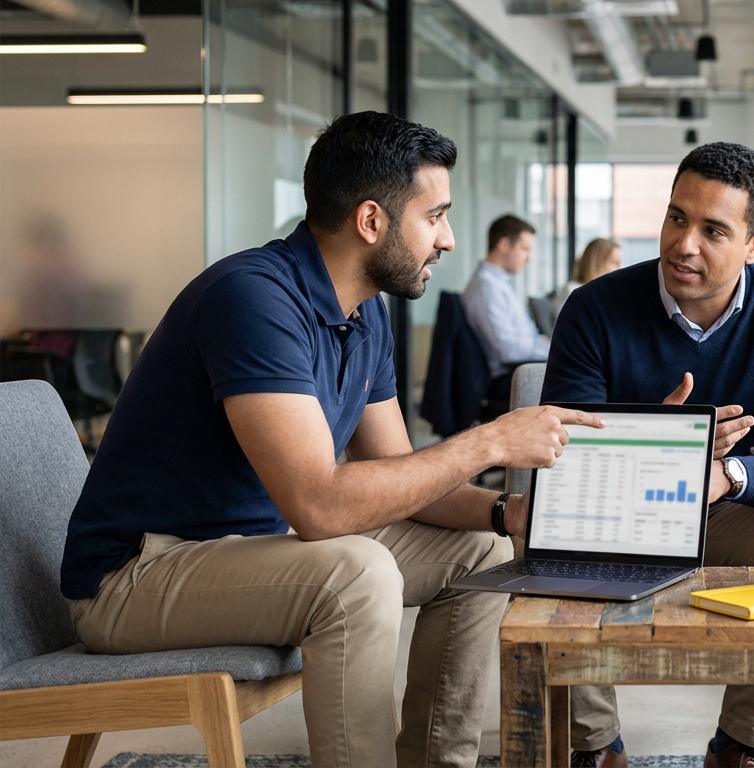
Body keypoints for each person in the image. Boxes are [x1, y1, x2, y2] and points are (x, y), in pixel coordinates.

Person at [59, 111, 604, 768]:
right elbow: (319, 506)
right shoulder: (252, 300)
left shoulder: (364, 311)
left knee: (483, 555)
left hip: (249, 547)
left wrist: (502, 510)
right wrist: (490, 443)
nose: (450, 239)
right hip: (135, 577)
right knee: (357, 573)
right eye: (435, 216)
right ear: (372, 221)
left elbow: (402, 475)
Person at [542, 142, 754, 768]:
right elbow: (562, 452)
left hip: (726, 512)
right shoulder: (593, 308)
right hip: (615, 515)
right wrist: (658, 442)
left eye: (713, 230)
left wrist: (722, 476)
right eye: (677, 218)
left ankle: (740, 744)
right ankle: (595, 746)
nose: (685, 244)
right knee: (552, 534)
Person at [462, 214, 550, 410]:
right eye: (524, 249)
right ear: (504, 245)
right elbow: (508, 350)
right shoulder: (487, 287)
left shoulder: (499, 283)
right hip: (506, 376)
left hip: (518, 368)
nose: (529, 258)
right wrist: (553, 349)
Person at [552, 237, 622, 318]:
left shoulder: (606, 295)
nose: (620, 268)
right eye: (614, 263)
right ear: (596, 263)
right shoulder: (574, 292)